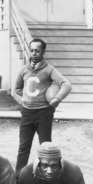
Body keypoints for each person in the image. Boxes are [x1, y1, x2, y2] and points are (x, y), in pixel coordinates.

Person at [13, 38, 71, 174]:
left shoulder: (49, 69)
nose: (34, 53)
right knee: (23, 147)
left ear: (43, 52)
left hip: (44, 113)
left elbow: (66, 84)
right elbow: (17, 89)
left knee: (46, 146)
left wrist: (57, 98)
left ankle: (48, 173)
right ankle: (19, 176)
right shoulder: (24, 70)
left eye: (37, 51)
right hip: (27, 113)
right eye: (32, 50)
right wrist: (25, 100)